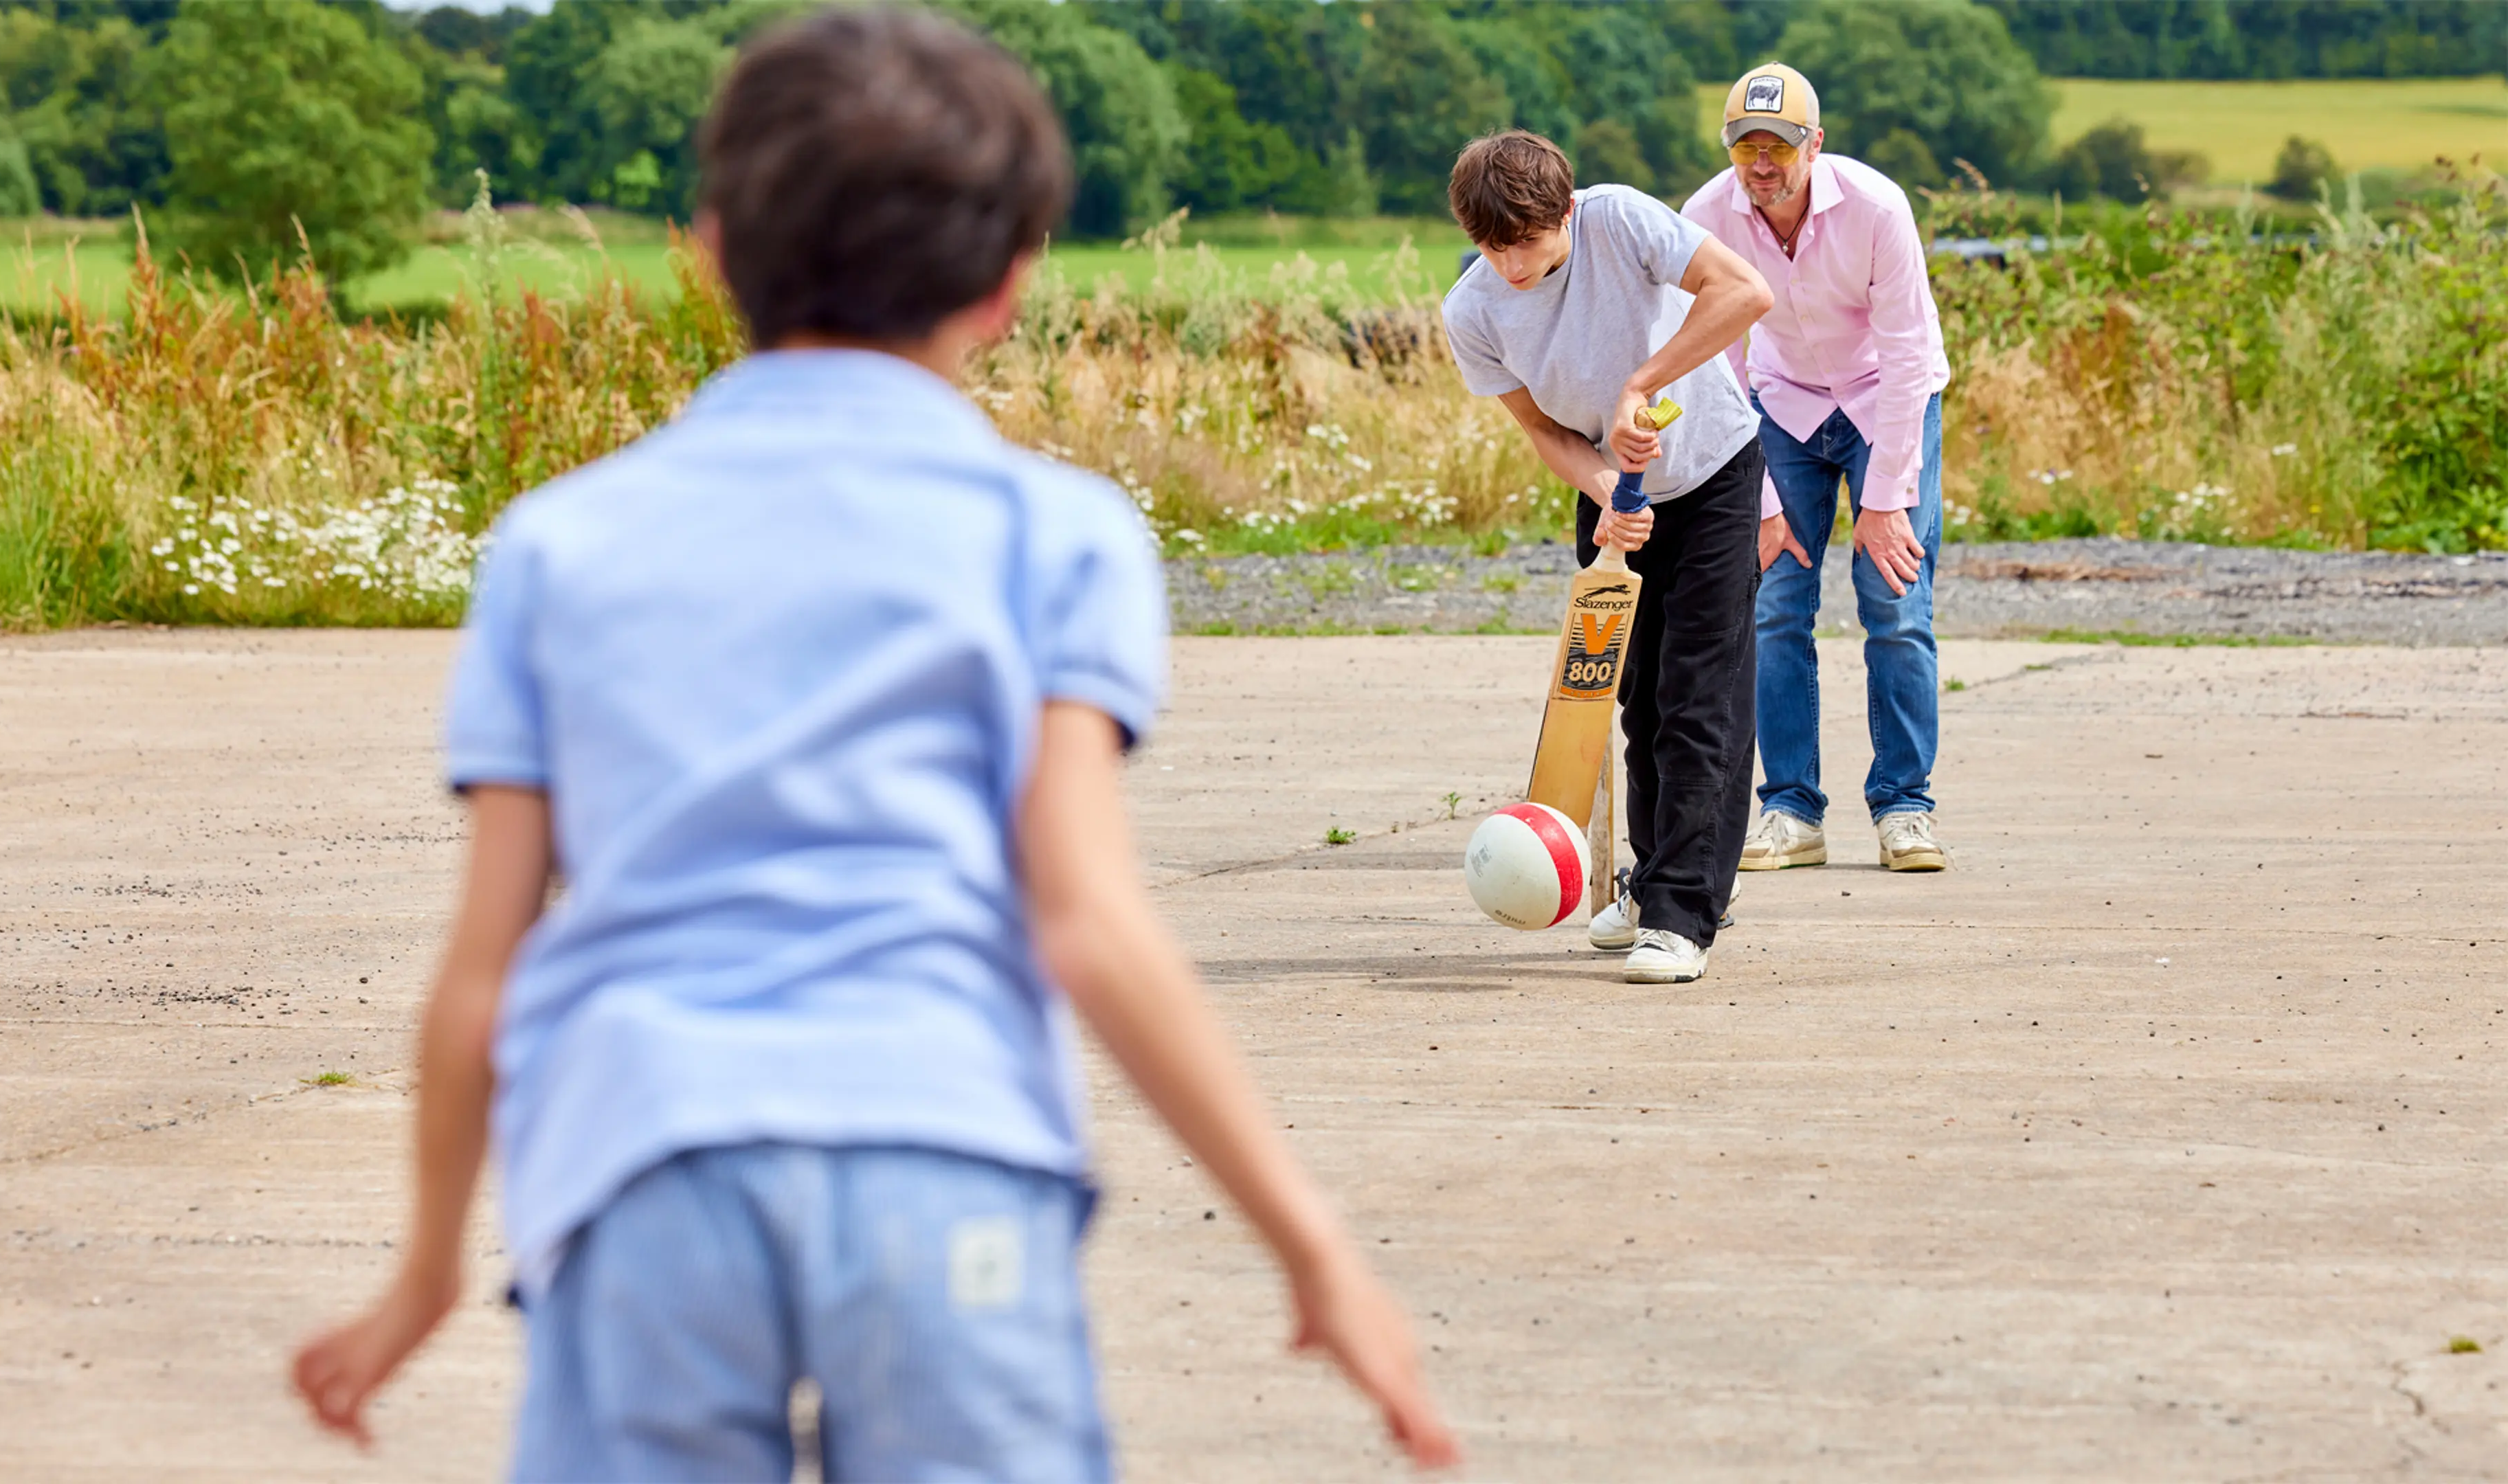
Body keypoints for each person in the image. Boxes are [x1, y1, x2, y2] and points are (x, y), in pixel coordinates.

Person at [287, 10, 1459, 1479]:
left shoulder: (558, 546)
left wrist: (423, 1277)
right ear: (1013, 280)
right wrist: (1314, 1247)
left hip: (643, 1168)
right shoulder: (1056, 536)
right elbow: (1087, 925)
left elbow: (481, 978)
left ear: (710, 247)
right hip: (945, 1155)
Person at [1440, 131, 1773, 985]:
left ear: (1565, 210)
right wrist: (1601, 489)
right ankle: (1652, 878)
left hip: (1713, 475)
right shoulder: (1473, 312)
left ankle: (1682, 915)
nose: (1511, 265)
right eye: (1491, 246)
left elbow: (1745, 291)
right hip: (1614, 501)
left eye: (1527, 242)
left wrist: (1641, 384)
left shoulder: (1620, 220)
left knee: (1700, 700)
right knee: (1634, 701)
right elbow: (1545, 432)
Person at [1682, 63, 1954, 873]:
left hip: (1885, 405)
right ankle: (1791, 810)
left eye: (1778, 144)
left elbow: (1908, 357)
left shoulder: (1876, 208)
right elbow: (1714, 366)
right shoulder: (1706, 217)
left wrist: (1886, 498)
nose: (1761, 163)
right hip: (1782, 407)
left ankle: (1905, 807)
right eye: (1745, 145)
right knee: (1770, 604)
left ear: (1815, 144)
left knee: (1896, 602)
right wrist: (1759, 501)